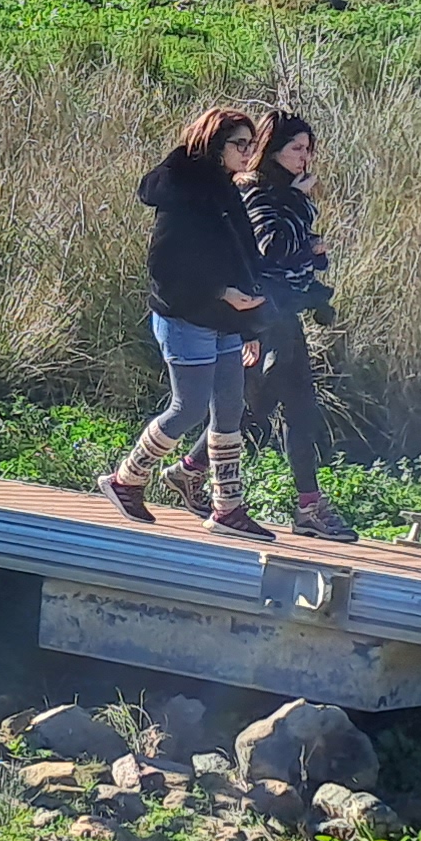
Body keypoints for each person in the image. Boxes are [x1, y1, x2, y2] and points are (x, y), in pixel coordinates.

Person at [100, 104, 273, 540]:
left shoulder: (224, 188)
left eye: (252, 145)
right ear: (214, 143)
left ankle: (227, 507)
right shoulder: (183, 192)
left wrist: (250, 325)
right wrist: (220, 292)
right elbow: (165, 267)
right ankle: (126, 480)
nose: (248, 153)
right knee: (189, 406)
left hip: (226, 319)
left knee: (230, 406)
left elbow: (240, 258)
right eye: (240, 144)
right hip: (186, 316)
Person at [241, 109, 349, 540]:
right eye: (297, 149)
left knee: (280, 409)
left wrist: (314, 257)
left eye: (309, 149)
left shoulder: (284, 193)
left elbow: (299, 255)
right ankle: (308, 505)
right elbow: (273, 249)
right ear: (274, 151)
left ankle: (308, 504)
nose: (306, 158)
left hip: (285, 313)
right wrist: (301, 211)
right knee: (279, 407)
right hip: (265, 315)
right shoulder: (260, 193)